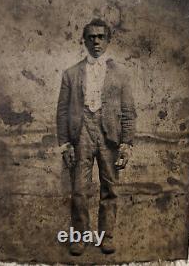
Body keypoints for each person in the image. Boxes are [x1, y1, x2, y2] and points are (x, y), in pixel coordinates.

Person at [57, 18, 136, 256]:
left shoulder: (121, 74)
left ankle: (107, 236)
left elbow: (128, 110)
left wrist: (127, 143)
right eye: (91, 37)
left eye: (101, 37)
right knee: (80, 189)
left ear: (109, 40)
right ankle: (80, 236)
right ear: (84, 40)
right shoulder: (70, 74)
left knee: (109, 187)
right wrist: (64, 144)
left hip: (109, 135)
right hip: (81, 134)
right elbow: (61, 111)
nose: (96, 41)